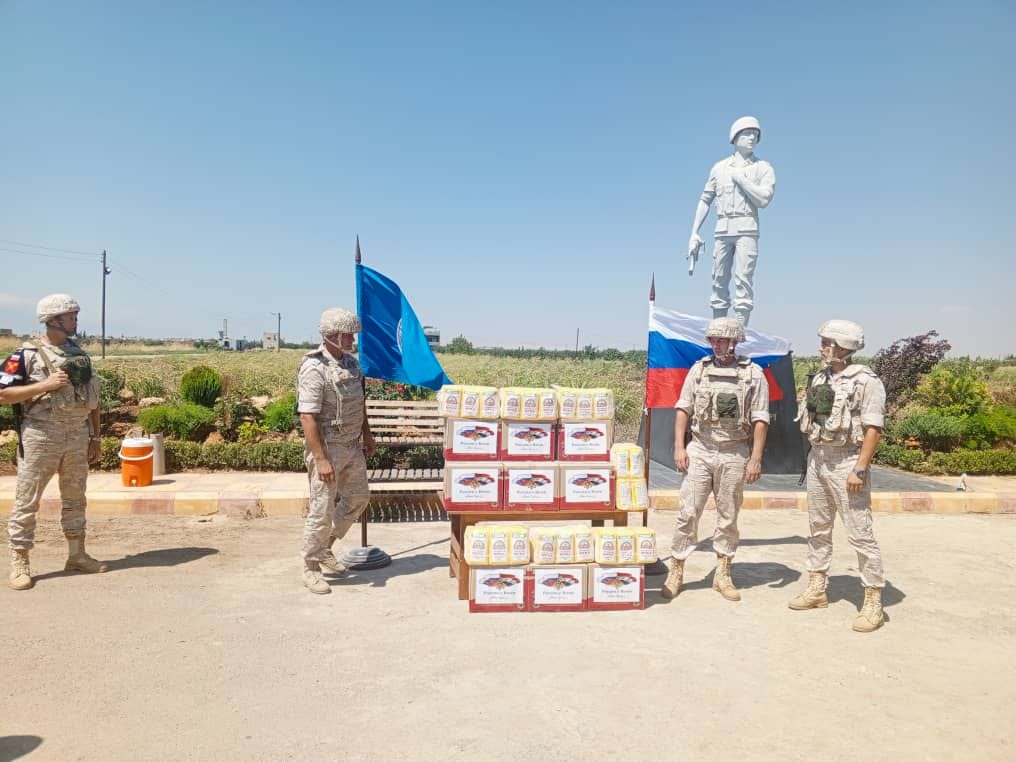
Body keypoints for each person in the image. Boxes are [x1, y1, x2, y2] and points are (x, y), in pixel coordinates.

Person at [0, 294, 106, 591]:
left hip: (76, 434)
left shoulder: (79, 354)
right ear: (53, 320)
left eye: (74, 315)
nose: (75, 320)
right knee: (27, 499)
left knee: (75, 498)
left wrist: (95, 436)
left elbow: (93, 400)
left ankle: (77, 555)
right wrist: (45, 385)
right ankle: (20, 561)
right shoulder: (23, 355)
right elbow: (2, 393)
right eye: (71, 316)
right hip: (40, 436)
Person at [789, 319, 887, 632]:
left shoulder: (866, 381)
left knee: (859, 532)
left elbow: (873, 429)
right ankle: (817, 588)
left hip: (847, 462)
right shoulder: (820, 377)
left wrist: (860, 468)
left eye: (826, 342)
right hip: (819, 460)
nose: (821, 347)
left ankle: (873, 600)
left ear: (842, 347)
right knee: (818, 528)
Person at [662, 317, 769, 601]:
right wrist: (679, 447)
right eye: (713, 340)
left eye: (721, 340)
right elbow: (683, 408)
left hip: (735, 451)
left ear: (734, 342)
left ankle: (723, 572)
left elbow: (760, 418)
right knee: (688, 511)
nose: (715, 344)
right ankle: (677, 569)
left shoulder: (753, 374)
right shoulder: (699, 370)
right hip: (701, 448)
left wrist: (755, 458)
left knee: (728, 515)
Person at [297, 307, 376, 595]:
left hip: (352, 446)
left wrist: (367, 434)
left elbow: (361, 403)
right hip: (328, 449)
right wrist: (320, 459)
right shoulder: (314, 368)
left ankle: (325, 548)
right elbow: (307, 416)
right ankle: (310, 567)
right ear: (332, 336)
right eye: (348, 334)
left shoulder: (352, 365)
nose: (353, 338)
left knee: (358, 497)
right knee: (321, 509)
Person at [687, 116, 776, 327]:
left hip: (747, 229)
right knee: (718, 281)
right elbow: (705, 199)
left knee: (743, 282)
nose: (752, 138)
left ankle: (739, 336)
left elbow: (764, 199)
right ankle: (718, 334)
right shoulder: (718, 169)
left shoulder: (763, 168)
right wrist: (694, 232)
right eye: (747, 133)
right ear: (735, 138)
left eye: (755, 134)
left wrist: (741, 179)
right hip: (722, 229)